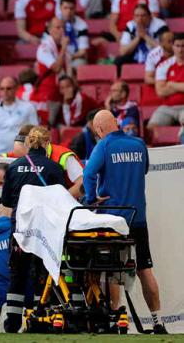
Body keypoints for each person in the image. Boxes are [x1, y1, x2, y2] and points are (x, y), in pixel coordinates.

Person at [83, 110, 167, 334]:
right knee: (145, 269)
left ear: (99, 129)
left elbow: (89, 174)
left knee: (110, 269)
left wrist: (91, 199)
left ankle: (116, 319)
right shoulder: (139, 144)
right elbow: (145, 170)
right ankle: (158, 321)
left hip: (113, 218)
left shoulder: (104, 146)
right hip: (138, 217)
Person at [1, 126, 66, 333]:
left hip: (20, 229)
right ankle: (40, 318)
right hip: (44, 230)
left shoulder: (14, 167)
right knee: (42, 273)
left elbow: (6, 200)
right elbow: (60, 200)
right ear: (47, 144)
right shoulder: (54, 168)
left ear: (28, 143)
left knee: (17, 274)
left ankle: (12, 322)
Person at [0, 77, 38, 155]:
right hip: (1, 155)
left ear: (16, 88)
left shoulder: (28, 107)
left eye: (8, 88)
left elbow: (35, 131)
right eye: (2, 88)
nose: (5, 91)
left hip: (23, 155)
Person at [36, 17, 71, 127]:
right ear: (50, 30)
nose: (62, 31)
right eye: (58, 27)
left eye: (63, 28)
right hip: (48, 95)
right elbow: (56, 67)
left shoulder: (60, 47)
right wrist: (64, 48)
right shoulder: (44, 47)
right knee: (47, 128)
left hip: (60, 93)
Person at [151, 33, 184, 130]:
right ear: (173, 47)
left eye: (183, 46)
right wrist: (180, 87)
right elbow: (161, 92)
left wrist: (171, 84)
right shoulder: (163, 66)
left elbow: (165, 89)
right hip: (167, 107)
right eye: (177, 46)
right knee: (151, 128)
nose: (180, 49)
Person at [59, 0, 89, 68]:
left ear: (75, 9)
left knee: (79, 65)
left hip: (75, 57)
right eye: (65, 8)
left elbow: (83, 51)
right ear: (60, 8)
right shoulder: (54, 23)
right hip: (57, 57)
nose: (68, 11)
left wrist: (68, 58)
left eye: (71, 8)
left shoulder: (82, 25)